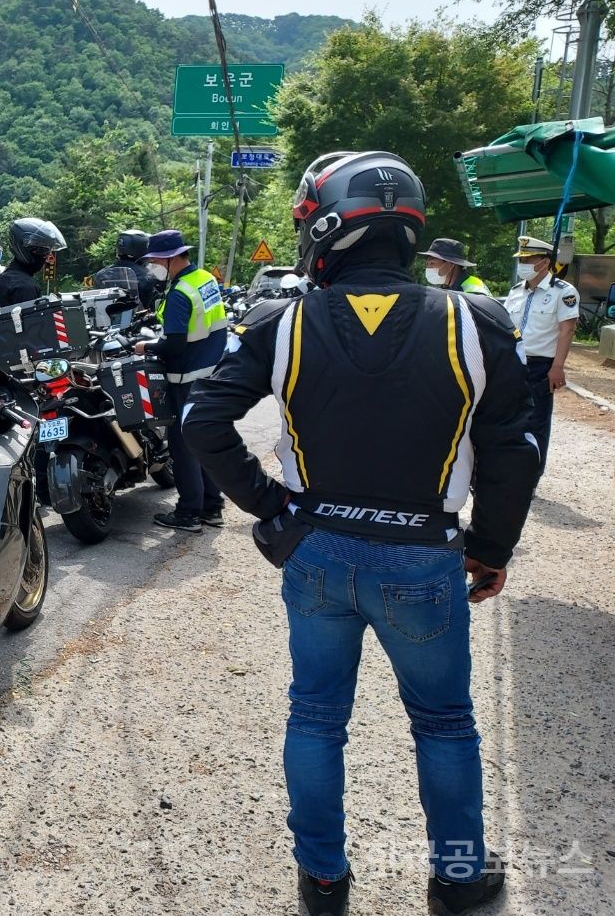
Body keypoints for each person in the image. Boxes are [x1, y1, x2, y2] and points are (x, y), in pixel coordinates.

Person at [182, 151, 540, 916]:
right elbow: (515, 450)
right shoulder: (474, 321)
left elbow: (202, 420)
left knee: (316, 717)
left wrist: (270, 509)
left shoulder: (281, 321)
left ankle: (322, 881)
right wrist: (492, 547)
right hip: (425, 552)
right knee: (444, 725)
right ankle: (456, 878)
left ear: (330, 226)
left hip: (315, 551)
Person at [132, 229, 227, 533]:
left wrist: (146, 346)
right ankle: (212, 508)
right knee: (205, 442)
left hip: (188, 377)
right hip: (212, 370)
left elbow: (174, 345)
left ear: (171, 258)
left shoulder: (179, 293)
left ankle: (188, 514)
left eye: (155, 260)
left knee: (183, 447)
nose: (152, 266)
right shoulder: (205, 280)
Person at [503, 234, 579, 472]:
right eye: (521, 259)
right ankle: (510, 470)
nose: (522, 265)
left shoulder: (563, 292)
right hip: (513, 363)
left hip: (540, 365)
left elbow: (567, 330)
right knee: (509, 418)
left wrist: (557, 366)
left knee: (536, 422)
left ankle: (531, 476)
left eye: (528, 259)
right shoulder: (516, 291)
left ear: (544, 263)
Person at [0, 217, 66, 309]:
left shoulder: (5, 277)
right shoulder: (24, 286)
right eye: (43, 252)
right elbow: (33, 322)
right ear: (27, 250)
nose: (47, 258)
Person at [91, 228, 159, 312]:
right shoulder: (148, 276)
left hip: (106, 323)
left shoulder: (100, 275)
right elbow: (156, 307)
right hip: (139, 323)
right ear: (142, 250)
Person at [419, 237, 491, 295]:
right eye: (427, 264)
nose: (428, 269)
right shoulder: (447, 288)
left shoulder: (473, 290)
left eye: (432, 263)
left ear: (450, 264)